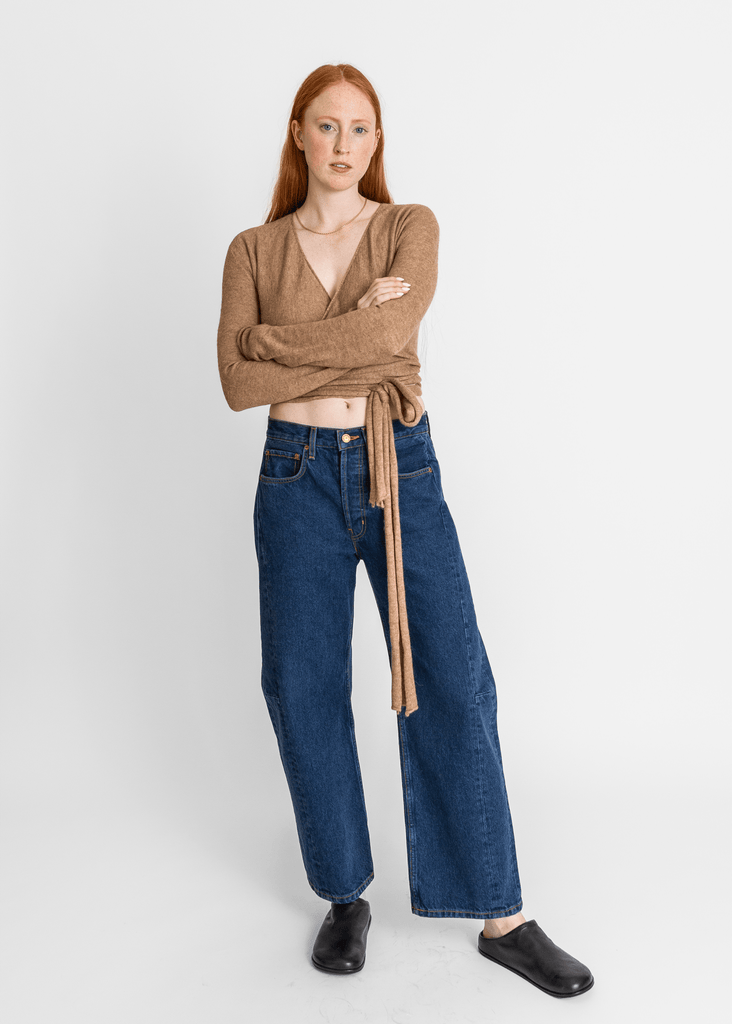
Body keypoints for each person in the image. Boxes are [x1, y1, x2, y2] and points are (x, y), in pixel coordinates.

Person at [216, 63, 594, 999]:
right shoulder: (252, 250)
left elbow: (385, 343)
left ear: (376, 141)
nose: (343, 145)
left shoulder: (406, 228)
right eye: (326, 126)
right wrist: (346, 338)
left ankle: (501, 915)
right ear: (298, 134)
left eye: (360, 129)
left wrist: (274, 341)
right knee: (302, 685)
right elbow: (236, 383)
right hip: (293, 478)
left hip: (400, 469)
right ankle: (345, 895)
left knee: (453, 676)